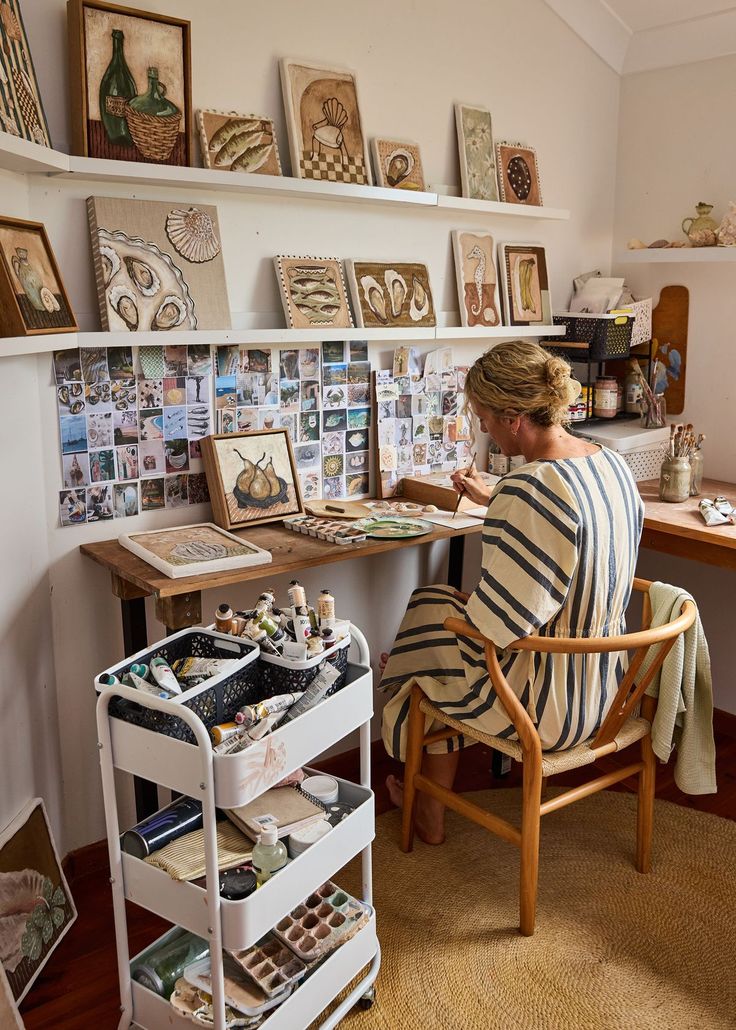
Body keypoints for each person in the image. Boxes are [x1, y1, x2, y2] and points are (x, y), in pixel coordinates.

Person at [380, 341, 644, 844]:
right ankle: (430, 806)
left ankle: (428, 811)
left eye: (483, 417)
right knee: (438, 618)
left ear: (514, 417)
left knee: (429, 619)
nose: (482, 428)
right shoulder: (611, 465)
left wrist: (415, 653)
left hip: (549, 710)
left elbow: (495, 629)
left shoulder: (529, 488)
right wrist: (497, 495)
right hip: (608, 692)